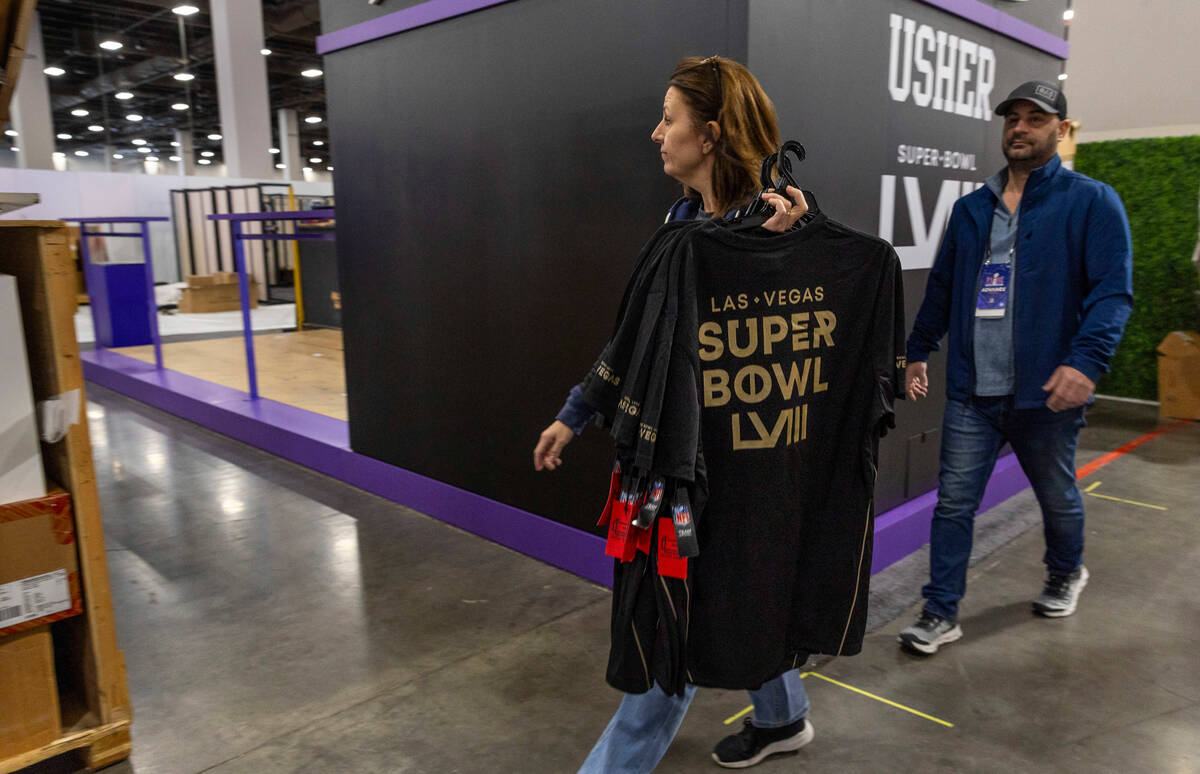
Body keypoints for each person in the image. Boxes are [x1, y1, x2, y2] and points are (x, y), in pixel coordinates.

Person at [533, 56, 814, 772]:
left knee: (673, 631)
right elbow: (639, 335)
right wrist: (578, 412)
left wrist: (789, 257)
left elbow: (809, 344)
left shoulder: (780, 226)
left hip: (736, 468)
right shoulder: (681, 221)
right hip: (682, 457)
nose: (657, 133)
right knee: (733, 596)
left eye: (670, 119)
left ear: (711, 135)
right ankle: (783, 718)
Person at [898, 80, 1133, 655]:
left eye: (1035, 119)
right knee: (954, 503)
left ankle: (1064, 571)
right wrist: (917, 350)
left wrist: (1086, 363)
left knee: (1056, 497)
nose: (1020, 128)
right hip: (974, 392)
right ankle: (939, 611)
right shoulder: (971, 208)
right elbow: (944, 287)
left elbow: (1112, 294)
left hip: (1046, 395)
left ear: (1060, 129)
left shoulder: (1091, 201)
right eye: (1013, 119)